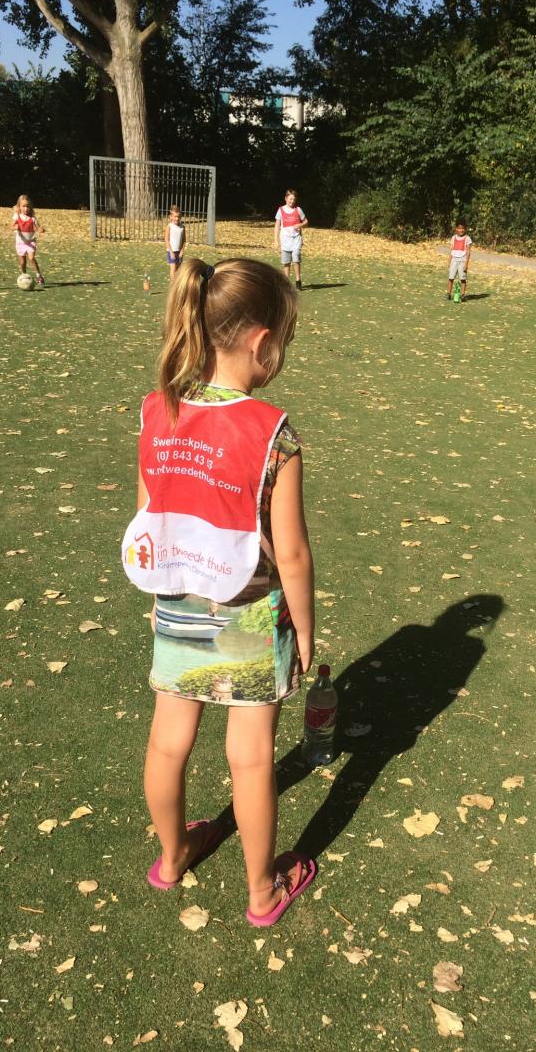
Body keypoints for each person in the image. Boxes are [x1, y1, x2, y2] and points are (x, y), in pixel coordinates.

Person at [122, 257, 317, 926]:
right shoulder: (273, 432)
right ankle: (262, 893)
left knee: (167, 743)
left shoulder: (157, 409)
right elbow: (292, 554)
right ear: (261, 342)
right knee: (252, 758)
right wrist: (305, 631)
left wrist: (157, 594)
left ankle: (173, 857)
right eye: (282, 342)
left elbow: (149, 516)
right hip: (250, 617)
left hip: (176, 601)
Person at [273, 190, 308, 290]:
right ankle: (287, 283)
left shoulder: (298, 210)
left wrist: (300, 225)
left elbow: (306, 222)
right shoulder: (280, 210)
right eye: (290, 199)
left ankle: (298, 281)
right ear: (286, 199)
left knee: (296, 258)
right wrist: (276, 241)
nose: (292, 201)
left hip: (296, 239)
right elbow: (277, 226)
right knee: (286, 262)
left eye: (294, 199)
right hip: (285, 240)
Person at [11, 195, 45, 285]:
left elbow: (38, 228)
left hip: (30, 241)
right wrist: (15, 227)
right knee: (22, 262)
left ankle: (39, 276)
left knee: (31, 258)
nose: (26, 209)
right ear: (19, 206)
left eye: (28, 206)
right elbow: (11, 226)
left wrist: (41, 230)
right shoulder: (17, 216)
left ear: (30, 207)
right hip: (20, 242)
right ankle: (24, 275)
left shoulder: (32, 218)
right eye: (23, 206)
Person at [446, 220, 473, 301]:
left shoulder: (467, 238)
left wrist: (466, 264)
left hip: (462, 260)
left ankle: (462, 295)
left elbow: (468, 252)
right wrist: (449, 262)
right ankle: (448, 294)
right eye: (459, 228)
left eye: (463, 228)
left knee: (463, 279)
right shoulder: (453, 238)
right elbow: (451, 250)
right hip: (454, 260)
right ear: (456, 229)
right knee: (451, 278)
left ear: (465, 229)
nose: (461, 230)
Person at [164, 205, 186, 279]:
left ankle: (177, 283)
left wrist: (182, 251)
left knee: (178, 269)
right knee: (173, 269)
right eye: (175, 216)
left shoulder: (182, 227)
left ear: (180, 217)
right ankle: (173, 284)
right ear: (170, 217)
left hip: (179, 252)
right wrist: (171, 252)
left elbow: (184, 240)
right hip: (171, 251)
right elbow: (166, 240)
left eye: (178, 217)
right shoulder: (169, 226)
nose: (177, 218)